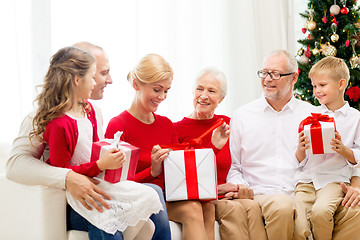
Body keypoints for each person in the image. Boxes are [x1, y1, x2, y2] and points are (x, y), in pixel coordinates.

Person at [6, 42, 156, 239]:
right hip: (67, 199)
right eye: (101, 73)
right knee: (106, 216)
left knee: (153, 195)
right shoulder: (46, 118)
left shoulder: (92, 112)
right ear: (78, 78)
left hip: (93, 183)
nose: (108, 80)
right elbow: (16, 165)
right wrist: (68, 177)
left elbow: (92, 157)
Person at [227, 50, 360, 240]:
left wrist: (356, 184)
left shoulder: (314, 115)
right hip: (269, 193)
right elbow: (234, 167)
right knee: (287, 209)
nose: (267, 79)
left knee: (354, 211)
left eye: (275, 74)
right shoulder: (242, 115)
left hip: (306, 188)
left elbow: (339, 155)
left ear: (294, 77)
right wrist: (241, 188)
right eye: (264, 73)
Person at [174, 67, 266, 240]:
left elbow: (243, 163)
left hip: (228, 195)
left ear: (221, 98)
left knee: (252, 207)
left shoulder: (228, 125)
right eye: (199, 89)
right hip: (206, 198)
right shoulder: (176, 129)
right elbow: (180, 179)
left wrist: (240, 187)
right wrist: (217, 189)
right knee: (236, 209)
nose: (204, 95)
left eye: (211, 91)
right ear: (192, 92)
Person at [105, 53, 174, 240]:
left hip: (168, 198)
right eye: (157, 90)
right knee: (154, 191)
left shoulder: (167, 125)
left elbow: (178, 171)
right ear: (136, 85)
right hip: (133, 200)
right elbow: (114, 185)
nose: (162, 97)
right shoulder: (118, 126)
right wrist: (152, 171)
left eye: (166, 91)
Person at [293, 56, 360, 240]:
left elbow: (359, 157)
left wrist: (343, 149)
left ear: (341, 84)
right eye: (314, 86)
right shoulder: (310, 115)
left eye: (322, 85)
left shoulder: (355, 118)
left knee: (320, 213)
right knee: (298, 225)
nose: (317, 91)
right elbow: (299, 159)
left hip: (334, 179)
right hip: (306, 180)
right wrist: (301, 148)